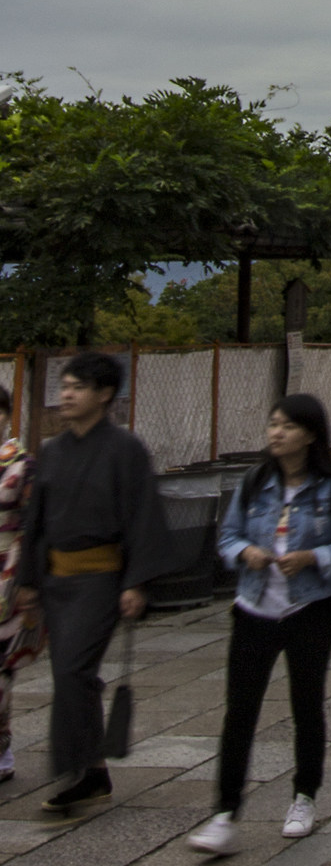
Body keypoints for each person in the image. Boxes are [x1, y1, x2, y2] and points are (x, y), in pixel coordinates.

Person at [188, 394, 331, 854]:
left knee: (306, 705)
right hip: (253, 608)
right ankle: (225, 813)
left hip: (309, 609)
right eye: (272, 424)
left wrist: (313, 557)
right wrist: (244, 552)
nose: (276, 432)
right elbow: (227, 535)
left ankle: (304, 796)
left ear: (310, 433)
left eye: (287, 425)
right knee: (239, 711)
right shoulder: (254, 482)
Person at [16, 350, 166, 819]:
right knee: (71, 673)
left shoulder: (126, 450)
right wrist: (27, 582)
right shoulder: (53, 451)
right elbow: (34, 521)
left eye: (78, 387)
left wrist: (136, 581)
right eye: (65, 385)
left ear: (104, 395)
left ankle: (79, 771)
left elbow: (144, 517)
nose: (67, 394)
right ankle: (92, 769)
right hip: (57, 579)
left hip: (101, 579)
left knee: (72, 672)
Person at [0, 385, 43, 782]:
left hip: (8, 568)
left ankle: (2, 746)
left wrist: (30, 579)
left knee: (0, 664)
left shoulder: (23, 464)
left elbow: (34, 522)